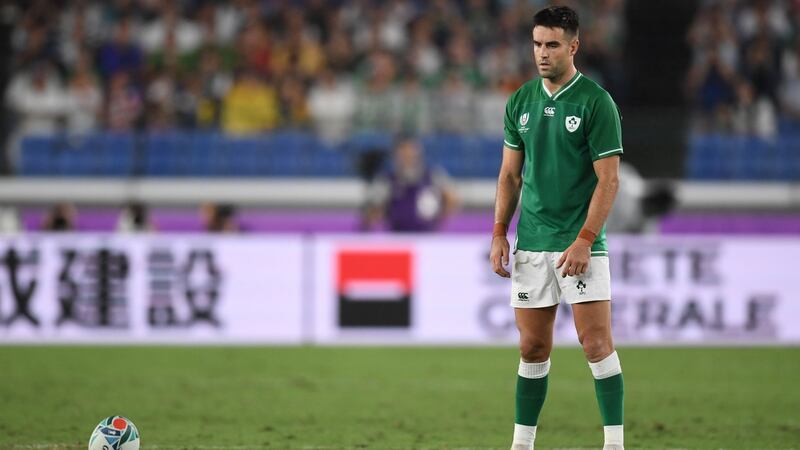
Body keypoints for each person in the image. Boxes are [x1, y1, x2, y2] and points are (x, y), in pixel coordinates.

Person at [489, 7, 624, 450]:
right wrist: (497, 232)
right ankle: (522, 444)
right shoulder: (520, 101)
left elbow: (609, 179)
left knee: (595, 343)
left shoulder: (595, 102)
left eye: (551, 45)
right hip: (531, 243)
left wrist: (586, 239)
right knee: (531, 347)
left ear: (573, 46)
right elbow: (509, 176)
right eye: (536, 44)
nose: (542, 53)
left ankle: (614, 443)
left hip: (579, 244)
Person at [364, 137, 458, 232]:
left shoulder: (432, 175)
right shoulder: (387, 179)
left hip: (427, 234)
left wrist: (440, 220)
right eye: (403, 153)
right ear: (396, 155)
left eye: (410, 152)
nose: (407, 156)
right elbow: (376, 208)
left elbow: (451, 198)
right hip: (399, 234)